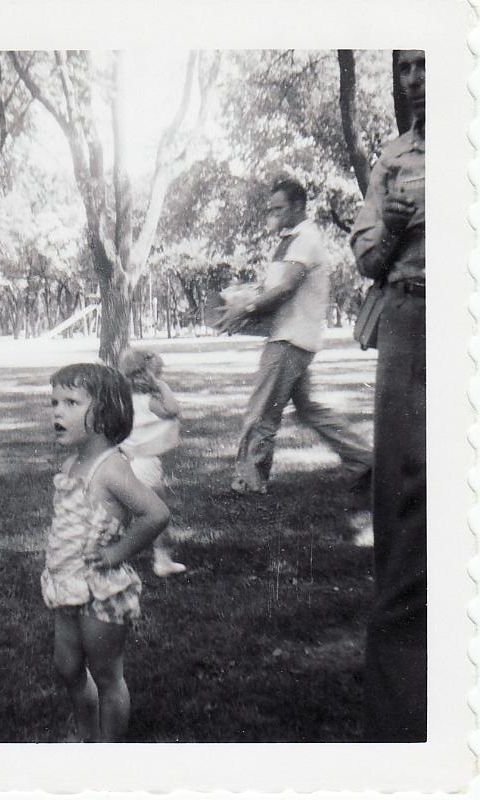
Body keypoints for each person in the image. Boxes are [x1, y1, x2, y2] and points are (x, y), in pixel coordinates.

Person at [350, 49, 426, 742]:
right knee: (404, 499)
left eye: (423, 63)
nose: (413, 79)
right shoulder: (391, 159)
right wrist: (397, 224)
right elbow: (368, 260)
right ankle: (401, 715)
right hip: (411, 318)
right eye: (403, 67)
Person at [217, 178, 373, 496]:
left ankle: (250, 480)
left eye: (279, 207)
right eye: (270, 207)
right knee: (308, 409)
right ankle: (365, 459)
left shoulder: (305, 239)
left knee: (261, 412)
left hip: (290, 340)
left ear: (299, 207)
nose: (272, 213)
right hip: (293, 337)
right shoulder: (290, 240)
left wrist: (244, 308)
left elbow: (286, 288)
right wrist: (242, 305)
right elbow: (272, 290)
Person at [44, 364, 170, 741]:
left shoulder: (111, 468)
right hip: (67, 584)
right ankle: (87, 735)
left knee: (106, 673)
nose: (56, 411)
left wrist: (117, 552)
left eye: (70, 402)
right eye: (54, 402)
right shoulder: (72, 463)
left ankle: (108, 750)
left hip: (101, 591)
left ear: (103, 413)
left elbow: (156, 513)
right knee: (67, 667)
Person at [118, 348, 187, 577]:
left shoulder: (123, 400)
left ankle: (111, 553)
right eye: (159, 373)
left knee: (124, 513)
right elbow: (173, 410)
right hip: (145, 465)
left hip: (126, 461)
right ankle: (162, 561)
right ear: (148, 375)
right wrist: (162, 386)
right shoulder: (148, 401)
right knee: (159, 514)